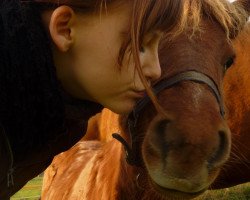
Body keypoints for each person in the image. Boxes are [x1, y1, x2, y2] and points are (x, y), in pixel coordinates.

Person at [0, 0, 183, 199]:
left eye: (159, 46)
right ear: (65, 29)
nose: (156, 71)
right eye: (140, 44)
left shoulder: (52, 121)